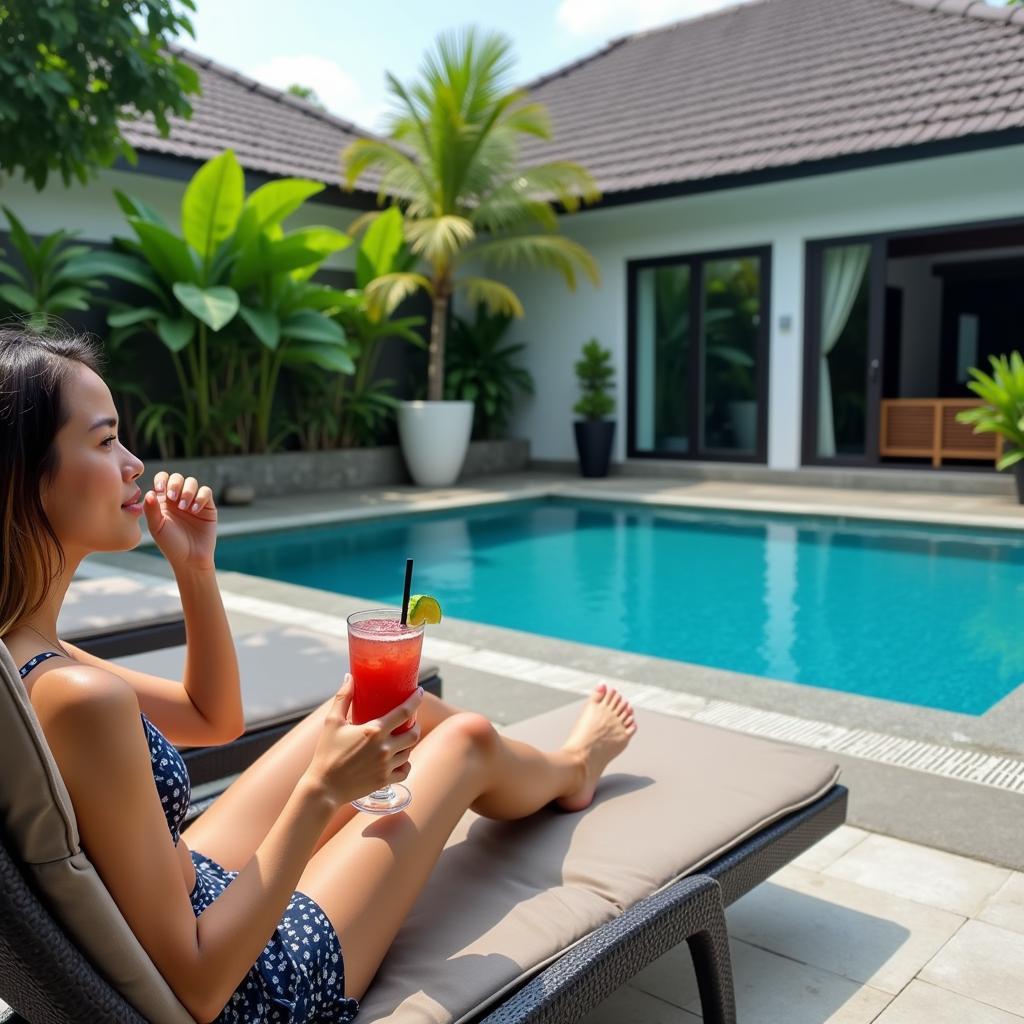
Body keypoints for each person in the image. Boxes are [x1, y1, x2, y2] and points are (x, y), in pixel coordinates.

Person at [0, 325, 637, 1024]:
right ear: (24, 479)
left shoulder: (27, 650)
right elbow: (201, 986)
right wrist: (320, 792)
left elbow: (215, 719)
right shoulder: (77, 699)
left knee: (397, 709)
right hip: (251, 982)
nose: (133, 462)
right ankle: (572, 769)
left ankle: (546, 770)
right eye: (103, 441)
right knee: (467, 740)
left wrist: (195, 568)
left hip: (192, 888)